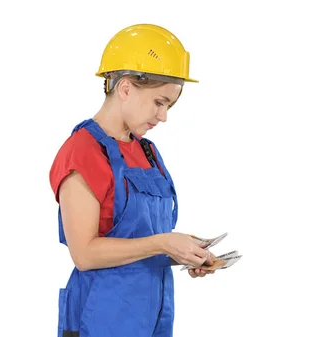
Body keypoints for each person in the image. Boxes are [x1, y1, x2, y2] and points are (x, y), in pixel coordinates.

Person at [49, 23, 216, 337]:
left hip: (154, 317)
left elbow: (145, 237)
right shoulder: (83, 152)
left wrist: (184, 251)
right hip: (101, 320)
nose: (163, 116)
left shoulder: (147, 151)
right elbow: (84, 254)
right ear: (125, 88)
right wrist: (163, 242)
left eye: (169, 106)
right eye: (159, 102)